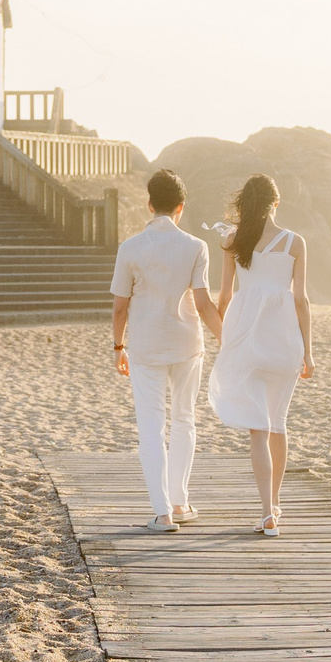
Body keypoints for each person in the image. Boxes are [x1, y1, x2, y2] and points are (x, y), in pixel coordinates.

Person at [110, 168, 222, 533]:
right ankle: (181, 501)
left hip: (144, 346)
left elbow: (119, 307)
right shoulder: (195, 246)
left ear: (149, 204)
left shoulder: (130, 248)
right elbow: (205, 305)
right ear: (180, 207)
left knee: (151, 428)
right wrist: (228, 340)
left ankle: (162, 513)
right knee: (184, 419)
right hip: (188, 344)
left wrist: (117, 346)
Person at [207, 173, 313, 535]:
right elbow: (300, 300)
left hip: (247, 339)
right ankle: (275, 504)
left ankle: (268, 510)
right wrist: (309, 352)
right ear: (275, 204)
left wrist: (227, 338)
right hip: (284, 340)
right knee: (278, 423)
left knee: (259, 429)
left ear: (245, 205)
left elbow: (223, 296)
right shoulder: (295, 242)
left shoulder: (233, 240)